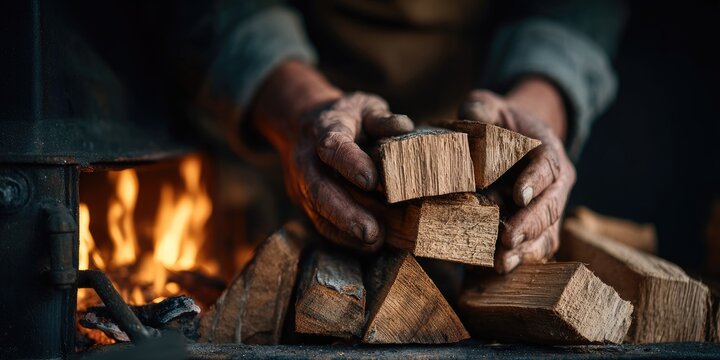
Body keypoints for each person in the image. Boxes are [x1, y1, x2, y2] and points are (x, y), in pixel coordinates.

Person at [172, 0, 625, 273]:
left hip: (477, 129)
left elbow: (578, 10)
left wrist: (539, 107)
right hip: (275, 125)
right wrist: (299, 112)